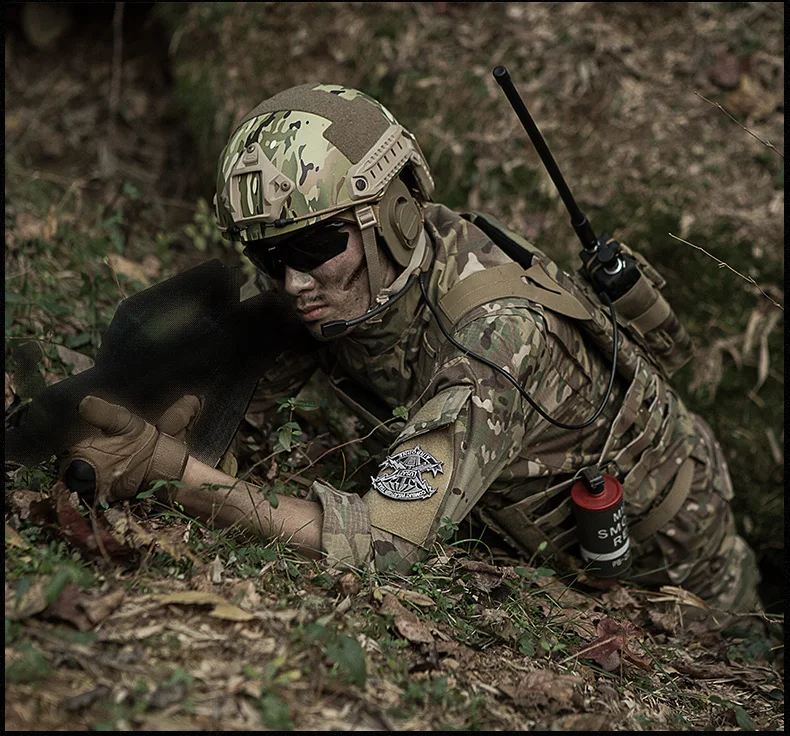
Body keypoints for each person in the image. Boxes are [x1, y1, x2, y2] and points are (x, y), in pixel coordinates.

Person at [61, 83, 760, 619]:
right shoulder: (366, 277)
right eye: (269, 256)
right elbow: (245, 375)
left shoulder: (496, 339)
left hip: (677, 574)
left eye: (311, 247)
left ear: (391, 219)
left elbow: (384, 547)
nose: (292, 282)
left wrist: (180, 475)